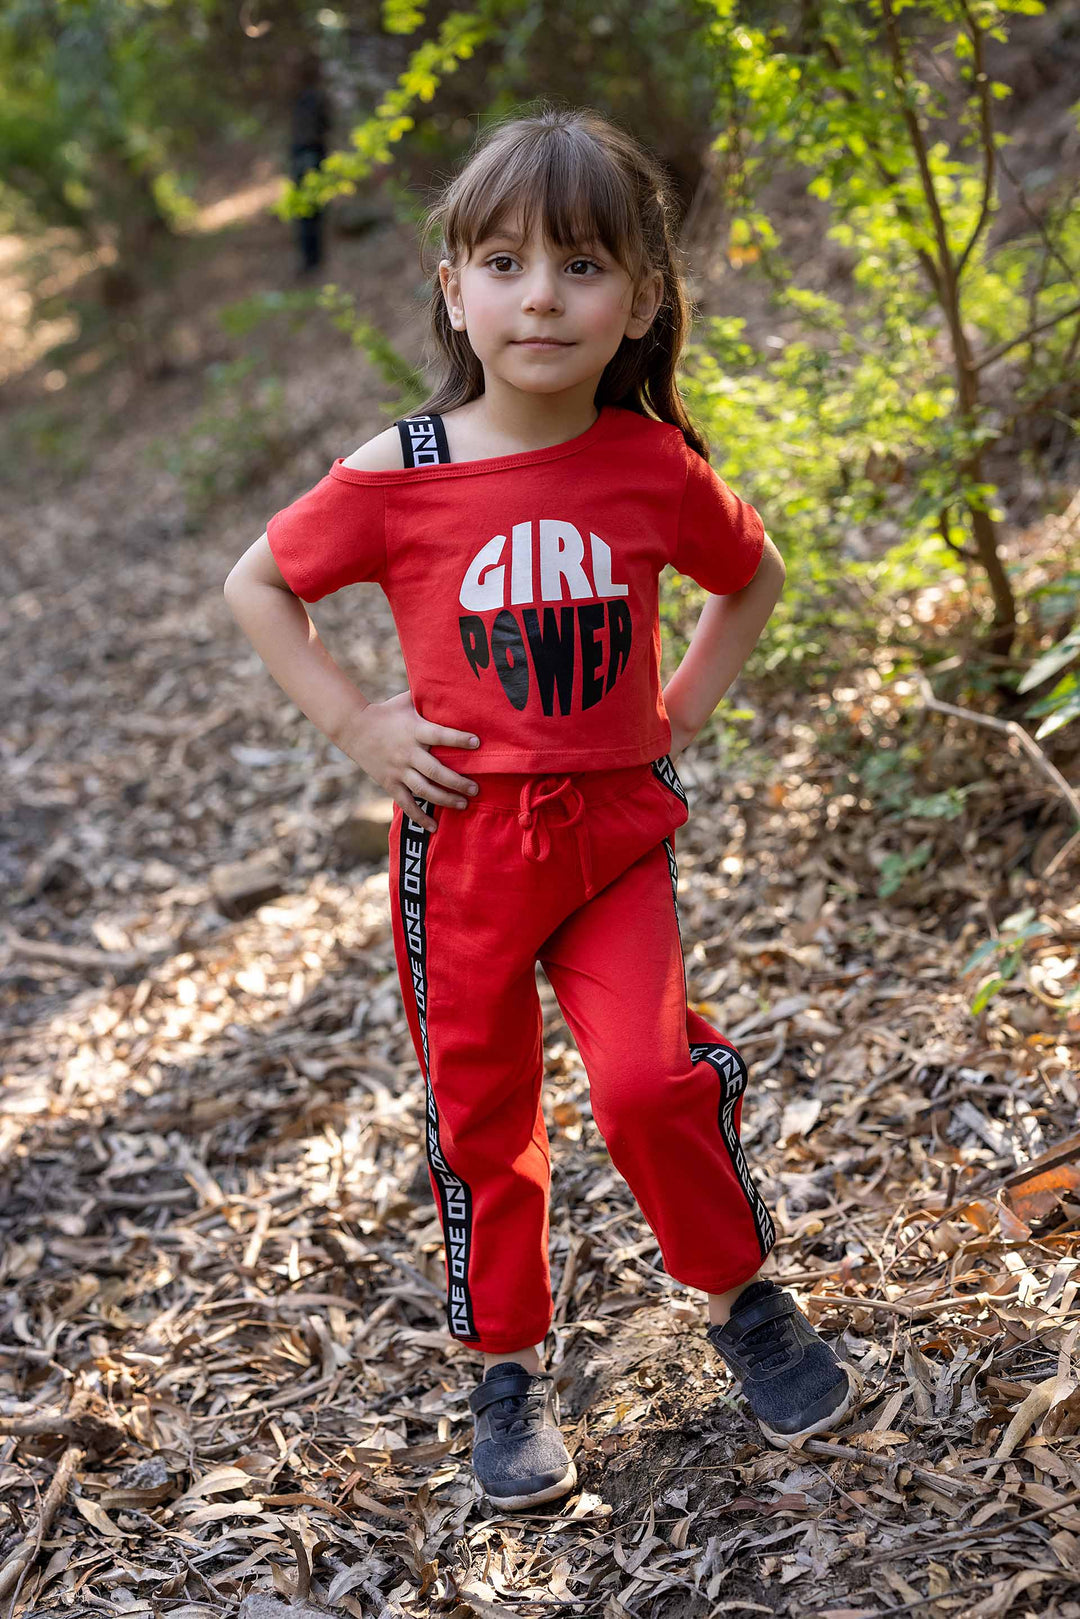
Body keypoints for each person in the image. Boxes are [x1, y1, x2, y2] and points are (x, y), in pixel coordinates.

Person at [224, 105, 863, 1513]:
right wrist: (358, 720)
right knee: (483, 1109)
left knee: (648, 1082)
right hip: (461, 851)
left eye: (582, 265)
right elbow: (258, 585)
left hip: (616, 833)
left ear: (640, 300)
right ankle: (507, 1365)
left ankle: (740, 1293)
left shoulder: (646, 463)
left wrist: (681, 705)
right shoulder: (405, 470)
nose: (542, 295)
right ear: (453, 288)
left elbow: (748, 577)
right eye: (504, 261)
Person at [288, 55, 332, 276]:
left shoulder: (308, 99)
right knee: (309, 211)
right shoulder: (311, 98)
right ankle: (311, 260)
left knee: (309, 212)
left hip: (308, 155)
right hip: (310, 155)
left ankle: (312, 261)